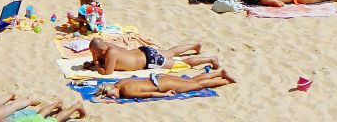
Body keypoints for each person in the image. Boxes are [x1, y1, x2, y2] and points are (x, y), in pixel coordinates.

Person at [84, 38, 216, 74]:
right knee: (170, 52)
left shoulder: (111, 53)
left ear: (101, 51)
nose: (93, 56)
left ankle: (210, 59)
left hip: (150, 60)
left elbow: (107, 72)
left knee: (182, 63)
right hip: (143, 51)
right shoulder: (107, 46)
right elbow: (103, 57)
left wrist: (95, 65)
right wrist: (94, 61)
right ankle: (194, 45)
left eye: (94, 53)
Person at [95, 70, 236, 100]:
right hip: (158, 77)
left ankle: (225, 80)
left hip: (162, 85)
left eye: (110, 95)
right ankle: (219, 73)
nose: (112, 98)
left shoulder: (126, 91)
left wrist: (165, 94)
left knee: (197, 85)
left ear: (112, 88)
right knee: (192, 81)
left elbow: (149, 94)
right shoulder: (119, 83)